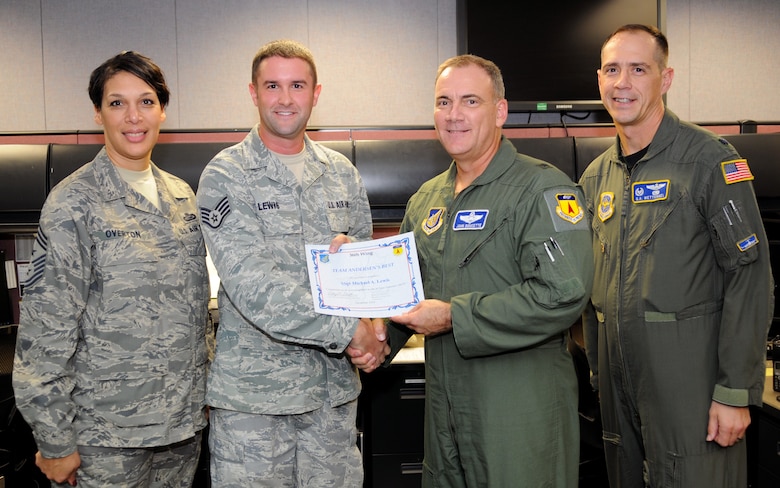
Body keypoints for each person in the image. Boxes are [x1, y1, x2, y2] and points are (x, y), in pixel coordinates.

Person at [579, 24, 773, 487]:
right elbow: (592, 292)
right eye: (612, 69)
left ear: (665, 79)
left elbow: (750, 276)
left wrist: (734, 391)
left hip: (693, 391)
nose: (622, 83)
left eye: (638, 69)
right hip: (619, 392)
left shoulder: (709, 162)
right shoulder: (594, 178)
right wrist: (595, 372)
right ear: (599, 79)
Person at [387, 54, 594, 487]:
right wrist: (373, 342)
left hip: (518, 415)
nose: (454, 115)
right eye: (443, 102)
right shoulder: (427, 200)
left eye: (470, 101)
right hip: (444, 415)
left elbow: (562, 293)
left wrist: (452, 316)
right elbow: (404, 291)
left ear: (500, 111)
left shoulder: (543, 190)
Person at [13, 51, 210, 487]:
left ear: (162, 110)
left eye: (146, 101)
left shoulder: (182, 197)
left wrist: (205, 394)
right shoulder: (73, 203)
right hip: (106, 435)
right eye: (117, 103)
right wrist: (55, 440)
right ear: (98, 113)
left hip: (180, 429)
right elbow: (45, 332)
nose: (133, 116)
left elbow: (197, 310)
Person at [196, 39, 388, 487]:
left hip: (332, 400)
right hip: (256, 406)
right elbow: (254, 288)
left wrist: (375, 328)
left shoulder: (342, 172)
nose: (285, 99)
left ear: (315, 94)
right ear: (253, 92)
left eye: (297, 85)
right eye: (273, 86)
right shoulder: (227, 174)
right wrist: (349, 332)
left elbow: (365, 275)